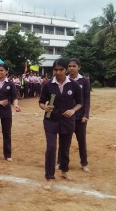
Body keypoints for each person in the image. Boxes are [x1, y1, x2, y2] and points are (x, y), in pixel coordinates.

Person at [39, 58, 82, 190]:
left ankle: (64, 171)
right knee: (51, 148)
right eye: (55, 70)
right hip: (50, 121)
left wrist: (73, 110)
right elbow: (41, 101)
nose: (58, 72)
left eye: (61, 69)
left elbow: (80, 102)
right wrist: (44, 108)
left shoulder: (73, 85)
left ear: (66, 70)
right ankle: (49, 177)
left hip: (67, 121)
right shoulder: (48, 85)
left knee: (65, 148)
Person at [57, 58, 91, 172]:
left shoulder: (84, 81)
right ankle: (60, 162)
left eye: (74, 66)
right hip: (65, 117)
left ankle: (84, 163)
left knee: (81, 140)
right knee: (64, 141)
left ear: (79, 67)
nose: (71, 68)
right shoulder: (62, 79)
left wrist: (86, 115)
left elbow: (86, 99)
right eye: (70, 66)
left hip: (80, 116)